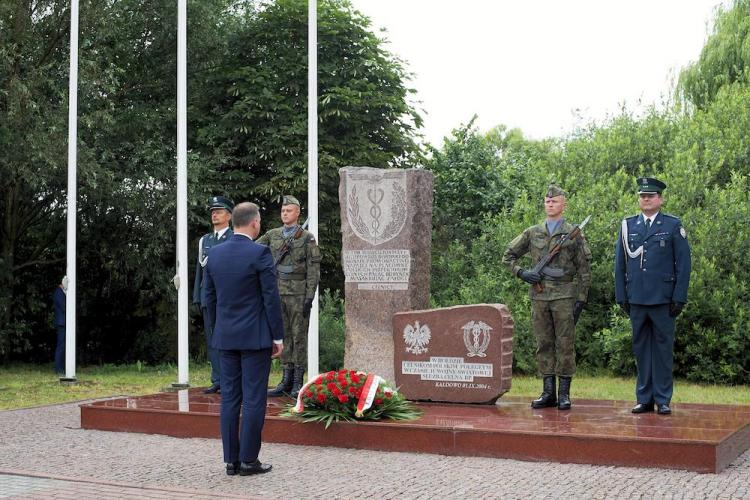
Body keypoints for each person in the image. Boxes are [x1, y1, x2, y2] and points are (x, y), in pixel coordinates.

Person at [204, 202, 284, 476]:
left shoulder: (214, 255)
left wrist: (219, 330)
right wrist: (278, 336)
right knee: (253, 399)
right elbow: (271, 299)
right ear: (254, 223)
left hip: (225, 338)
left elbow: (209, 298)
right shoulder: (259, 253)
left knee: (229, 399)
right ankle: (249, 460)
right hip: (255, 338)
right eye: (259, 221)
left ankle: (231, 461)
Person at [502, 185, 591, 410]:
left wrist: (581, 298)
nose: (550, 204)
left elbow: (584, 268)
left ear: (563, 205)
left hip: (564, 297)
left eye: (555, 201)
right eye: (547, 201)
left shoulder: (573, 233)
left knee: (565, 345)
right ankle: (548, 392)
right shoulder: (533, 232)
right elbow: (508, 255)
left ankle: (564, 394)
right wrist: (523, 273)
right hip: (539, 296)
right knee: (543, 344)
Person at [615, 177, 691, 415]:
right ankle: (644, 399)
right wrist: (621, 296)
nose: (645, 199)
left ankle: (663, 399)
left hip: (663, 299)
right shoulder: (628, 225)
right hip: (636, 298)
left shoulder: (672, 225)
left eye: (650, 196)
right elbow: (620, 264)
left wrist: (679, 297)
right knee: (640, 349)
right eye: (642, 196)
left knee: (663, 350)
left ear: (660, 199)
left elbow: (683, 264)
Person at [258, 195, 321, 399]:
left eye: (289, 210)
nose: (285, 214)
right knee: (282, 336)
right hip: (277, 292)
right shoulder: (272, 234)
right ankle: (285, 379)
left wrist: (309, 296)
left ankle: (297, 381)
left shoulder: (307, 237)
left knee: (298, 337)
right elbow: (254, 250)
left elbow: (313, 269)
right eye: (283, 211)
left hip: (299, 293)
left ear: (297, 213)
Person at [193, 195, 234, 394]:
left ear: (229, 215)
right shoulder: (205, 240)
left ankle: (229, 379)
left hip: (227, 297)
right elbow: (200, 271)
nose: (214, 215)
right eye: (212, 212)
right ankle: (217, 378)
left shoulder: (234, 238)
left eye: (218, 211)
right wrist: (197, 296)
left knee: (228, 338)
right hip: (208, 297)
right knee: (212, 339)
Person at [52, 279, 66, 375]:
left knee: (63, 346)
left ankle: (62, 367)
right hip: (61, 323)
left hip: (63, 322)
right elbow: (63, 306)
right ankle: (58, 368)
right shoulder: (58, 292)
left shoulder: (60, 292)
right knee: (60, 346)